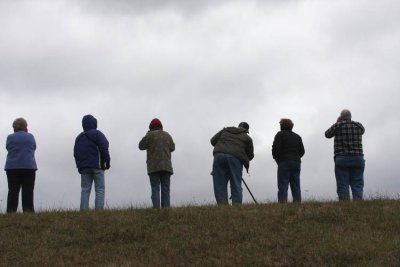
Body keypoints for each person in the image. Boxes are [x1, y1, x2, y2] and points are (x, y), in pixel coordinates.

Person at [325, 109, 365, 201]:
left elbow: (327, 134)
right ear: (351, 116)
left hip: (342, 158)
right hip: (357, 158)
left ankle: (344, 205)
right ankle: (358, 205)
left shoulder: (338, 126)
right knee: (357, 183)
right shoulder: (358, 125)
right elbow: (363, 131)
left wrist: (337, 122)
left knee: (342, 184)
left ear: (341, 117)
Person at [210, 122, 254, 205]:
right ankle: (236, 206)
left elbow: (212, 141)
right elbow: (250, 155)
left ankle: (222, 207)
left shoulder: (225, 131)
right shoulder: (247, 138)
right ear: (246, 130)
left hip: (218, 156)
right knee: (236, 183)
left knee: (219, 184)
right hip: (235, 159)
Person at [74, 114, 110, 211]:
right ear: (94, 123)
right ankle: (99, 211)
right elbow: (104, 147)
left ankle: (84, 211)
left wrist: (79, 166)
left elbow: (76, 153)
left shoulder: (79, 138)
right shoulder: (98, 134)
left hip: (84, 168)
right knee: (99, 189)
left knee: (85, 190)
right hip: (97, 166)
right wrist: (107, 161)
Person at [139, 118, 175, 208]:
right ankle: (166, 210)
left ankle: (156, 210)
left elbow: (141, 146)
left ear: (151, 127)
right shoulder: (167, 135)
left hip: (153, 167)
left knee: (155, 188)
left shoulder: (149, 135)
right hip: (166, 166)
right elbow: (173, 147)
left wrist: (147, 134)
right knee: (165, 189)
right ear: (161, 126)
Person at [4, 118, 37, 213]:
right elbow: (34, 147)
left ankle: (11, 212)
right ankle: (28, 211)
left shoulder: (9, 137)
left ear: (14, 127)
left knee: (13, 191)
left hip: (12, 167)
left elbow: (7, 147)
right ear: (25, 127)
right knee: (28, 191)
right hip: (28, 167)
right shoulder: (30, 136)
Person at [272, 119, 305, 203]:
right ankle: (297, 204)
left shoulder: (279, 135)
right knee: (296, 185)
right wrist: (296, 157)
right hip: (296, 162)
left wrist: (278, 159)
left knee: (283, 185)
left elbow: (275, 149)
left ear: (281, 126)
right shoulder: (297, 137)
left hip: (284, 162)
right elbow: (302, 151)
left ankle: (283, 205)